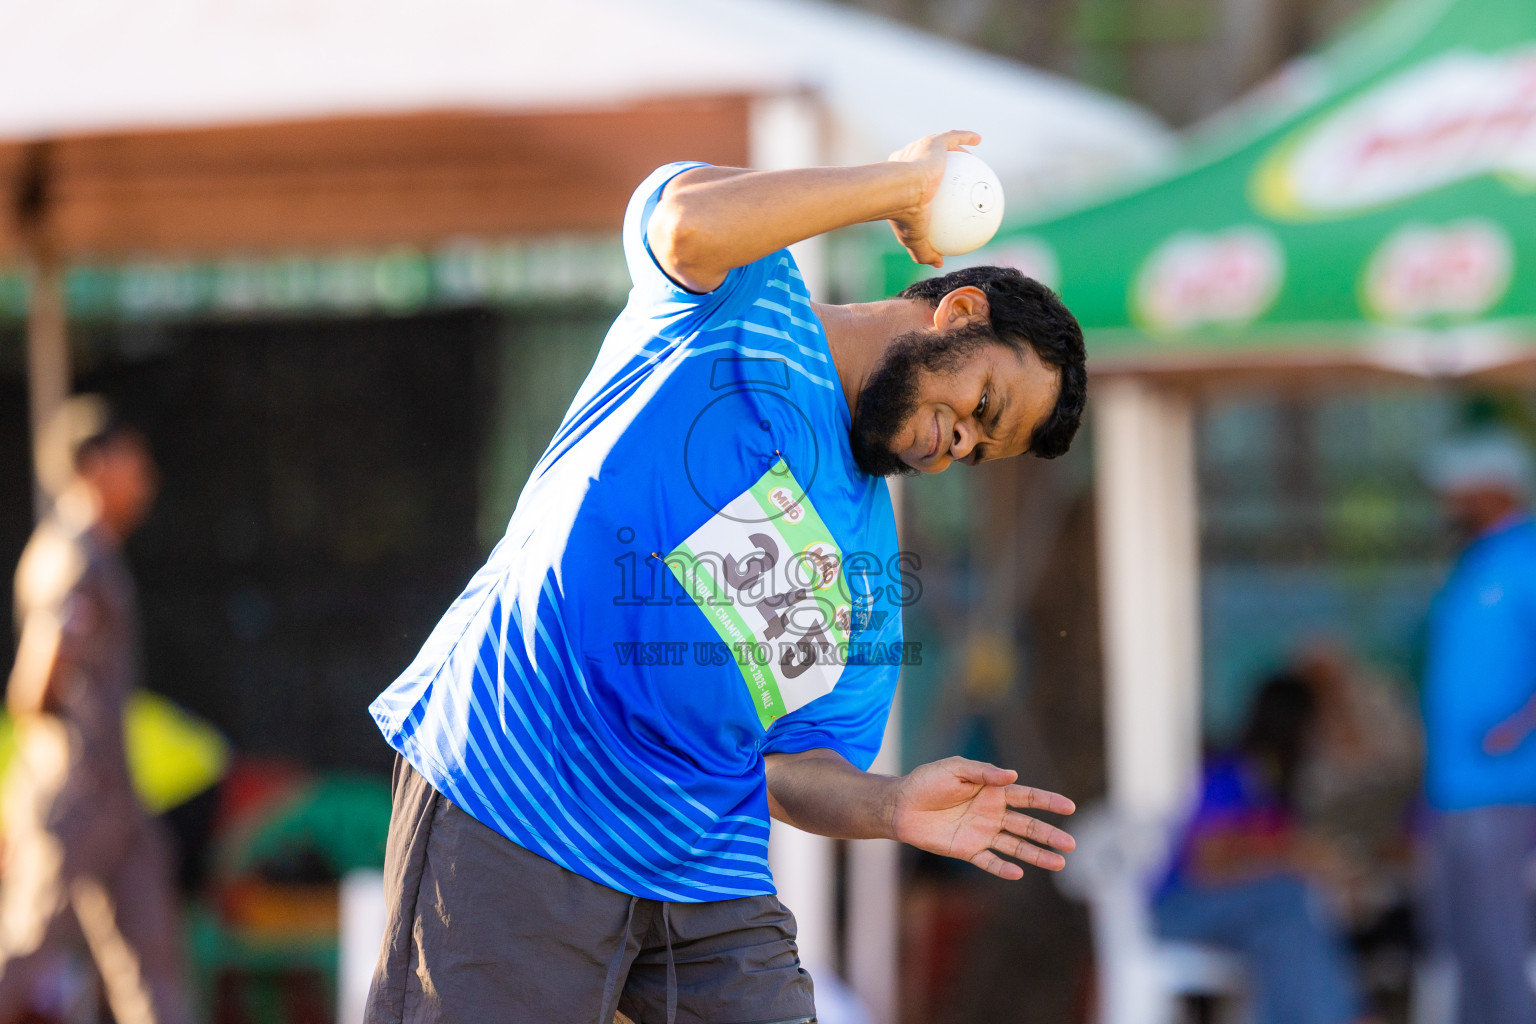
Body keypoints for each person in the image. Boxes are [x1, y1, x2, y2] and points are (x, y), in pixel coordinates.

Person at [364, 131, 1085, 1024]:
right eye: (982, 408)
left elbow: (795, 765)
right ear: (959, 312)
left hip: (698, 867)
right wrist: (903, 186)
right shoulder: (746, 296)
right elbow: (682, 221)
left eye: (981, 449)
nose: (961, 444)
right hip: (521, 791)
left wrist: (892, 803)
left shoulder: (870, 568)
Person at [3, 396, 190, 1024]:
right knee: (25, 947)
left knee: (150, 963)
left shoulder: (93, 551)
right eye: (132, 459)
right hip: (77, 795)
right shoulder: (73, 557)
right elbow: (34, 686)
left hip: (117, 798)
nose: (145, 475)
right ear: (94, 464)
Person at [1153, 674, 1373, 1024]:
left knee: (1283, 933)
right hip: (1178, 912)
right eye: (1314, 724)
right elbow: (1207, 862)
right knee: (1287, 897)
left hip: (1246, 918)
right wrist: (1289, 853)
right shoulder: (1231, 774)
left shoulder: (1277, 787)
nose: (1318, 736)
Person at [1420, 430, 1536, 1024]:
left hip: (1504, 787)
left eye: (1459, 489)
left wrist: (1518, 725)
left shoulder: (1528, 552)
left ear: (1494, 487)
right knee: (1463, 946)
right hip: (1456, 789)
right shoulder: (1477, 558)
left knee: (1498, 943)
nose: (1450, 500)